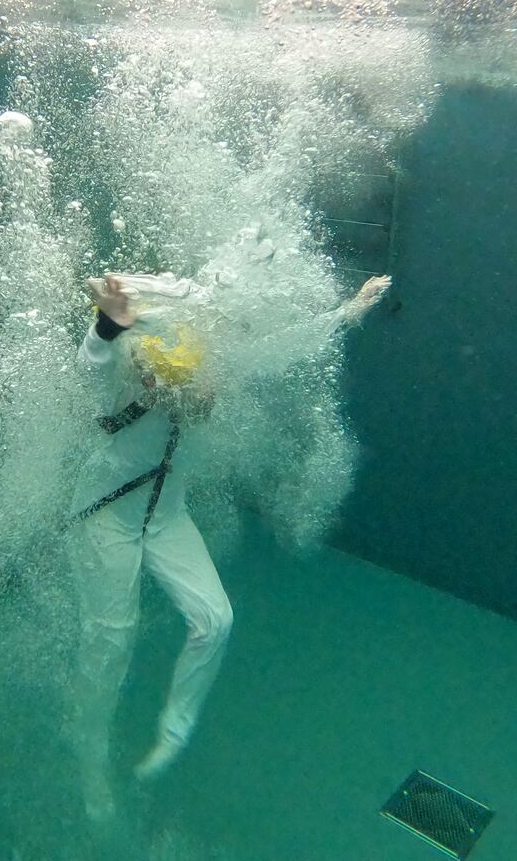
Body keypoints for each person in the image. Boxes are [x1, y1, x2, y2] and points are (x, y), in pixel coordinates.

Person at [71, 269, 390, 821]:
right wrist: (105, 327)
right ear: (151, 374)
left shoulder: (211, 362)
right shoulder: (126, 368)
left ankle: (174, 731)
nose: (195, 397)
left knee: (215, 619)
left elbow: (281, 347)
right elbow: (89, 368)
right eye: (175, 385)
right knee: (110, 642)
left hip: (166, 516)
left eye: (198, 387)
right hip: (106, 515)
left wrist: (348, 311)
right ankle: (89, 760)